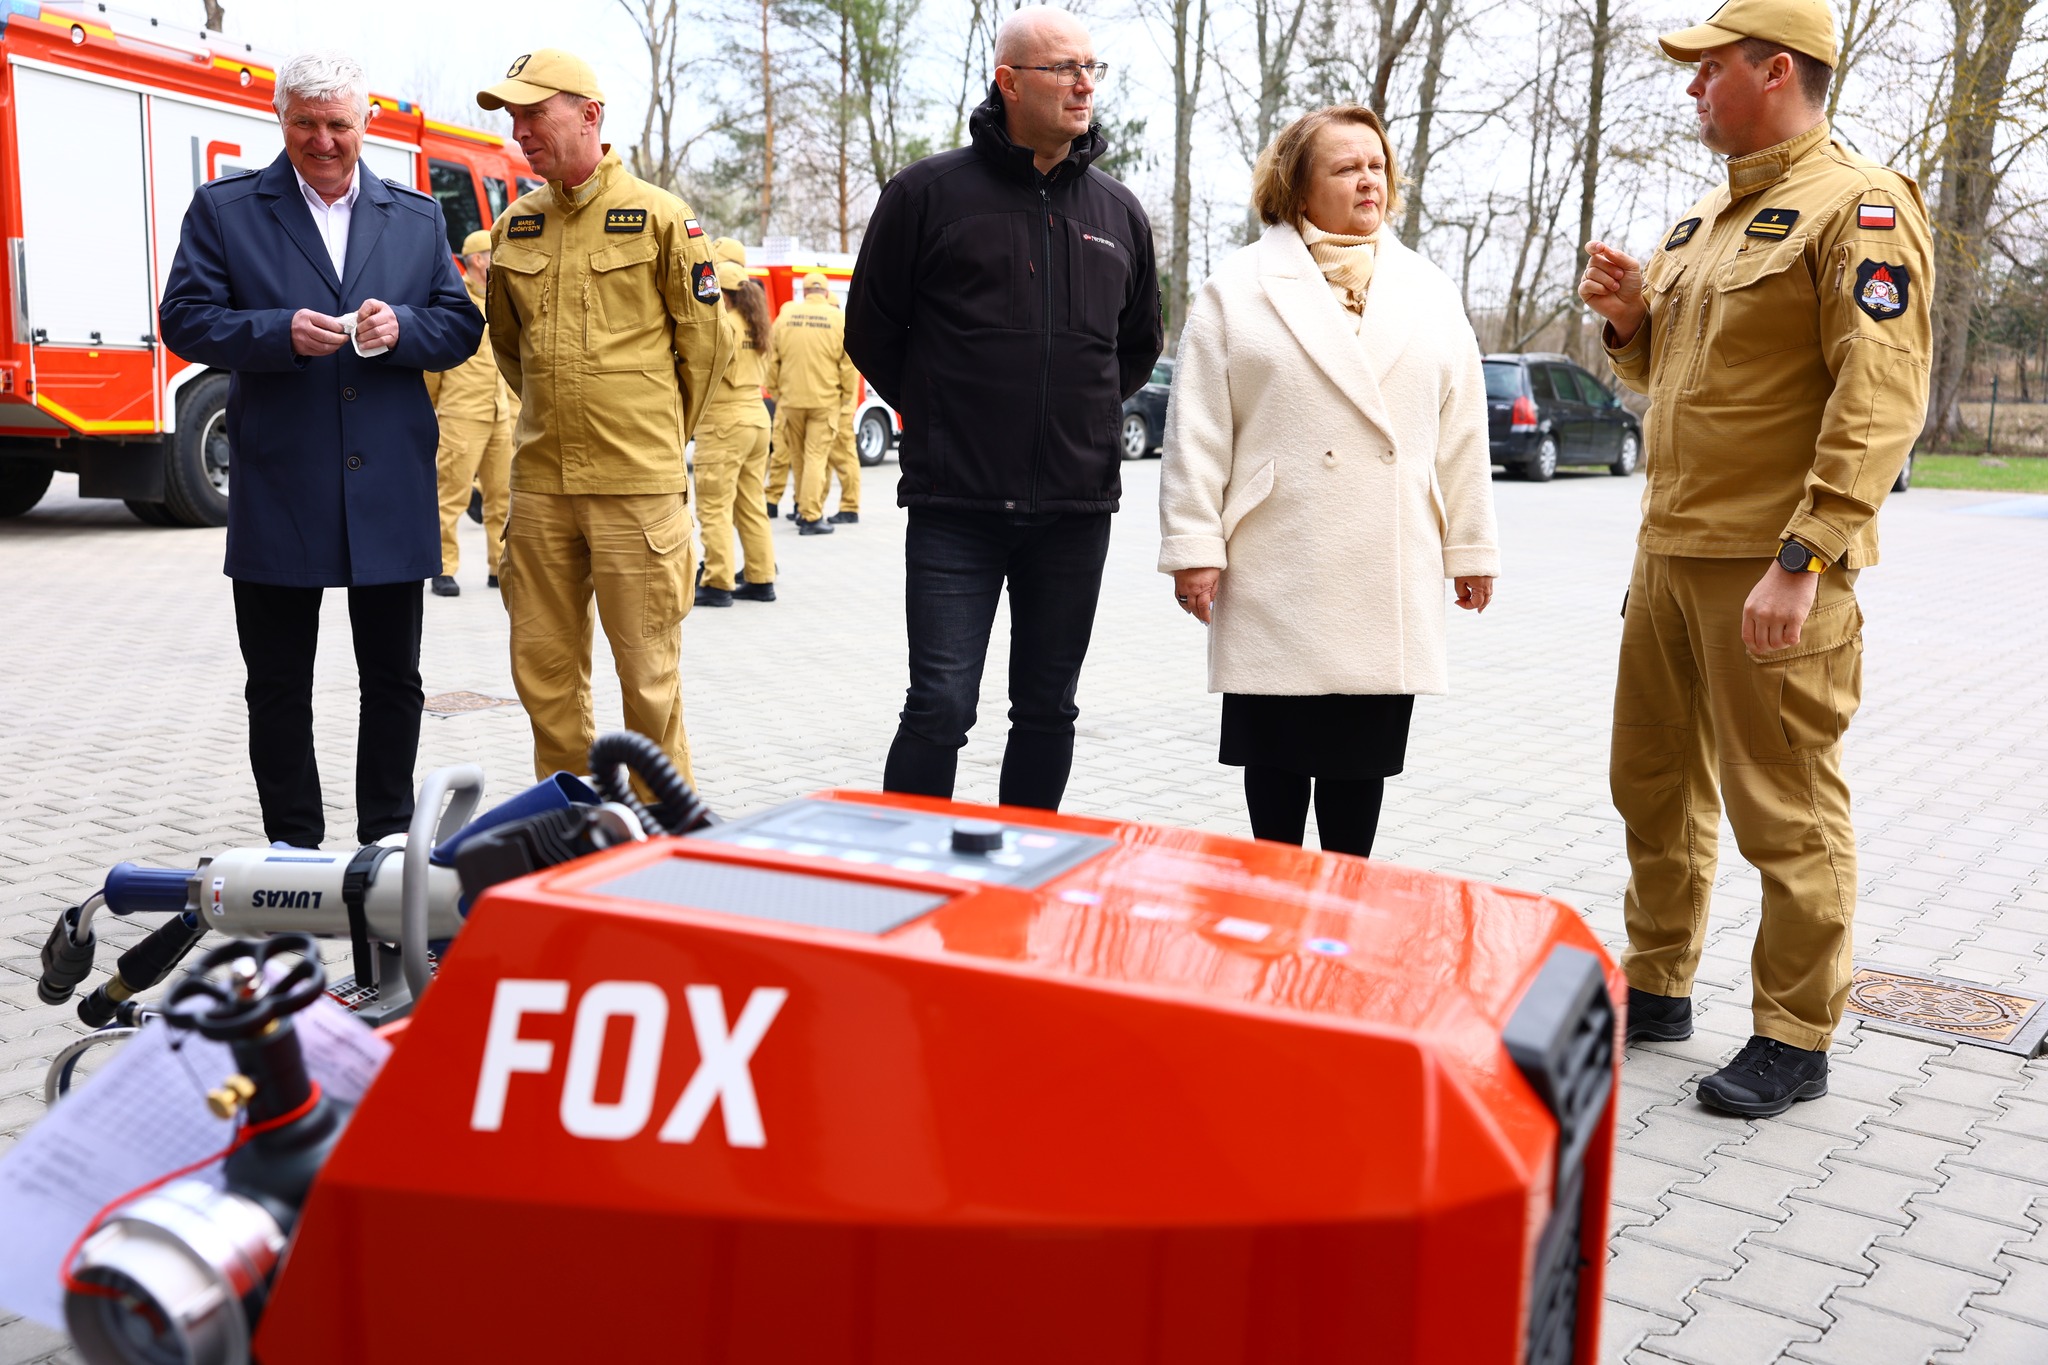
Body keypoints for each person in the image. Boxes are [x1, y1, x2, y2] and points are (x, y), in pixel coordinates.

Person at [1579, 0, 1933, 1117]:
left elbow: (1877, 395)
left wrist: (1807, 554)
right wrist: (1634, 322)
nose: (1690, 90)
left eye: (1706, 71)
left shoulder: (1858, 205)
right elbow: (1675, 386)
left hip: (1769, 564)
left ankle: (1792, 1033)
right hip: (1671, 550)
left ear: (1774, 70)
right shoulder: (1702, 223)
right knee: (1651, 785)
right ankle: (1658, 982)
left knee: (1781, 803)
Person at [159, 52, 481, 849]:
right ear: (281, 121)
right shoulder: (227, 209)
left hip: (389, 486)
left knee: (394, 681)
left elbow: (461, 327)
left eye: (339, 123)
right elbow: (185, 318)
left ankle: (387, 841)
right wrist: (273, 332)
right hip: (281, 483)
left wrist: (403, 328)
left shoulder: (415, 215)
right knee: (276, 686)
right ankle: (294, 849)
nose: (324, 140)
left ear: (364, 124)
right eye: (306, 122)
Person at [1158, 106, 1499, 858]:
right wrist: (1193, 544)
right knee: (1275, 759)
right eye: (1346, 167)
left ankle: (1344, 910)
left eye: (1377, 165)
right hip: (1276, 557)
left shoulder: (1428, 288)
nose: (1368, 179)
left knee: (1358, 762)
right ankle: (1276, 903)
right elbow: (1197, 429)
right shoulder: (1237, 286)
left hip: (1386, 558)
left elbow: (1463, 429)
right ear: (1297, 186)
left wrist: (1470, 548)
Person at [845, 5, 1163, 810]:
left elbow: (1137, 345)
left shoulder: (1119, 213)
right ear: (1009, 81)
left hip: (1074, 506)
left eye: (1093, 68)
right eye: (1064, 68)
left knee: (1049, 711)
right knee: (940, 706)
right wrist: (945, 414)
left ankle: (1020, 881)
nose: (1084, 83)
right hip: (958, 505)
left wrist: (1076, 417)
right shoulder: (927, 194)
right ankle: (902, 880)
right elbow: (873, 329)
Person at [479, 49, 731, 783]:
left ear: (589, 114)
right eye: (513, 118)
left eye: (534, 114)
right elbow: (509, 347)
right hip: (542, 486)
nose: (520, 131)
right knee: (545, 674)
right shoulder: (515, 227)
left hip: (636, 486)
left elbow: (705, 350)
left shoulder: (661, 218)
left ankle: (657, 830)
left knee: (648, 676)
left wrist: (652, 432)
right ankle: (569, 826)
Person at [427, 228, 517, 597]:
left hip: (503, 413)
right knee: (451, 496)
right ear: (478, 260)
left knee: (503, 496)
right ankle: (444, 569)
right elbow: (433, 366)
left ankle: (499, 567)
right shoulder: (455, 300)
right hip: (462, 414)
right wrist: (434, 406)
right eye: (494, 255)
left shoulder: (503, 298)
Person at [693, 239, 778, 606]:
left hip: (724, 422)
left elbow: (697, 368)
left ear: (722, 294)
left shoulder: (721, 324)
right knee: (751, 504)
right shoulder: (758, 324)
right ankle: (761, 579)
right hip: (757, 419)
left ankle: (717, 582)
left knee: (713, 506)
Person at [764, 271, 856, 536]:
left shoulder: (786, 317)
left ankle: (800, 506)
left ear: (803, 293)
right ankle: (811, 516)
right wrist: (846, 400)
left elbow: (772, 359)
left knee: (798, 457)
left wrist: (776, 393)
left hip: (791, 402)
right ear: (826, 294)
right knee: (816, 457)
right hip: (824, 402)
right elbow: (848, 366)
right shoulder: (838, 319)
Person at [819, 285, 863, 525]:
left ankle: (850, 507)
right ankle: (816, 505)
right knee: (824, 460)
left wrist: (845, 403)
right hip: (833, 404)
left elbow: (847, 373)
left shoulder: (841, 330)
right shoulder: (837, 329)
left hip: (841, 407)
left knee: (845, 459)